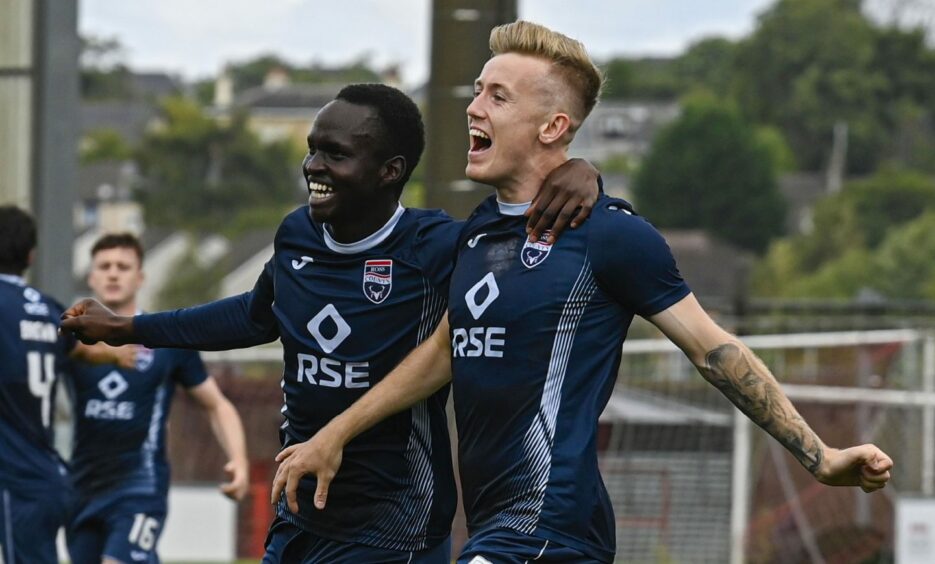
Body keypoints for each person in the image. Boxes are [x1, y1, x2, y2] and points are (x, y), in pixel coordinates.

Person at [265, 21, 895, 564]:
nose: (473, 106)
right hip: (496, 528)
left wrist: (820, 456)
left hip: (549, 524)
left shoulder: (612, 236)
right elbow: (443, 353)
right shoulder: (480, 232)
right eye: (479, 89)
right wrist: (333, 435)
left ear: (553, 126)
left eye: (498, 96)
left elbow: (714, 349)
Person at [60, 83, 601, 563]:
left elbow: (527, 230)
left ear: (389, 171)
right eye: (313, 150)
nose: (314, 167)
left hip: (393, 521)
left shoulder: (432, 246)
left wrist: (582, 173)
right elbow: (253, 316)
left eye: (335, 155)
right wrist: (127, 326)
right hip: (300, 508)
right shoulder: (297, 235)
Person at [64, 233, 249, 564]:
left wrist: (239, 459)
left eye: (123, 266)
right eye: (104, 266)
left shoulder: (161, 339)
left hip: (140, 488)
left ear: (140, 277)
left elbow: (216, 404)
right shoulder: (71, 343)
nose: (113, 273)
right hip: (82, 489)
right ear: (91, 277)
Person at [0, 206, 136, 564]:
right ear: (30, 255)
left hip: (16, 476)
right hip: (47, 475)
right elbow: (81, 348)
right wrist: (116, 354)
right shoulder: (46, 308)